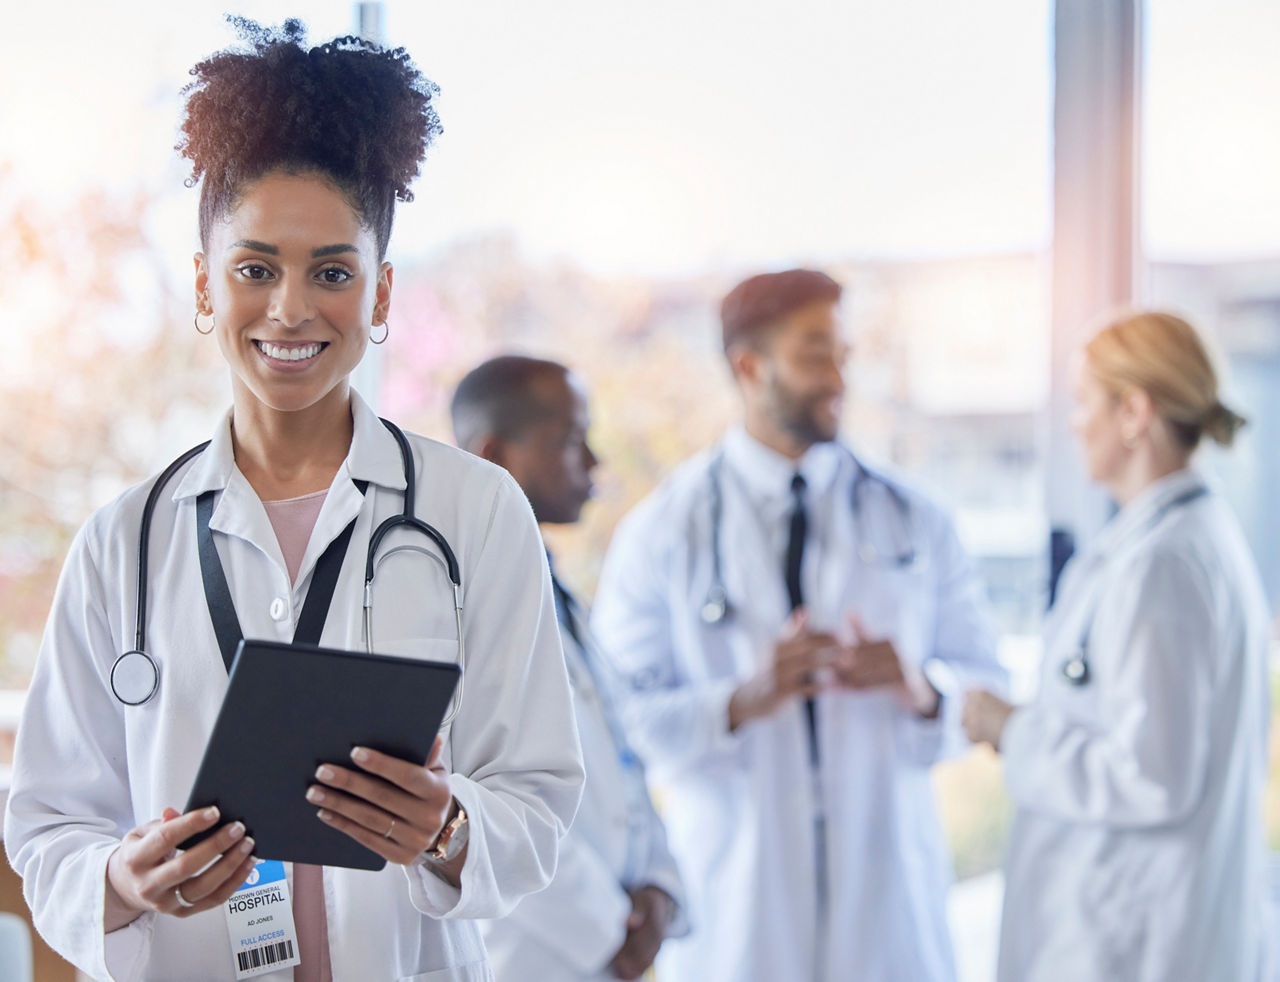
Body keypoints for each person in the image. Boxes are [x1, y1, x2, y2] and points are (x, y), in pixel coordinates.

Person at [3, 20, 583, 982]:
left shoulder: (474, 514)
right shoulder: (122, 543)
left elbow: (539, 798)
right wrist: (121, 879)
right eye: (255, 268)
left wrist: (446, 828)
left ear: (382, 294)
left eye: (333, 273)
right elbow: (47, 825)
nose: (289, 310)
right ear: (204, 284)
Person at [591, 269, 1007, 982]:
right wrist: (741, 698)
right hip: (739, 915)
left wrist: (923, 687)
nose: (841, 374)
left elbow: (988, 687)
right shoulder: (663, 532)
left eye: (845, 352)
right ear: (749, 366)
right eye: (818, 353)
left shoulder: (916, 519)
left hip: (890, 912)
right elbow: (614, 727)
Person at [963, 311, 1271, 982]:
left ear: (1134, 412)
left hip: (1141, 946)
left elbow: (1153, 779)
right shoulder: (1170, 544)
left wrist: (1012, 730)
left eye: (1083, 402)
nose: (1073, 424)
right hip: (1147, 934)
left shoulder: (1162, 566)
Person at [450, 355, 688, 981]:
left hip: (617, 939)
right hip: (537, 953)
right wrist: (610, 926)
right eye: (572, 441)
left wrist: (659, 885)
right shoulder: (453, 605)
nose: (595, 463)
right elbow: (478, 807)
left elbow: (618, 758)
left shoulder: (559, 591)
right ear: (496, 455)